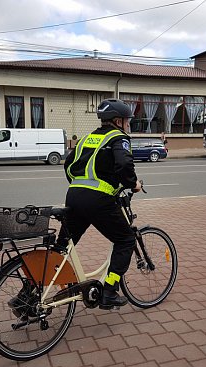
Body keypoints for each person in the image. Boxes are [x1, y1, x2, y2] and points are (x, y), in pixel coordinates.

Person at [60, 98, 142, 309]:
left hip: (74, 196)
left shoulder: (87, 139)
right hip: (99, 201)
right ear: (117, 121)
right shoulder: (118, 138)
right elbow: (124, 163)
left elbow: (69, 165)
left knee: (62, 246)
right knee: (125, 240)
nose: (127, 125)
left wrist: (80, 187)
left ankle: (29, 292)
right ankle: (110, 291)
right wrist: (133, 184)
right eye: (126, 121)